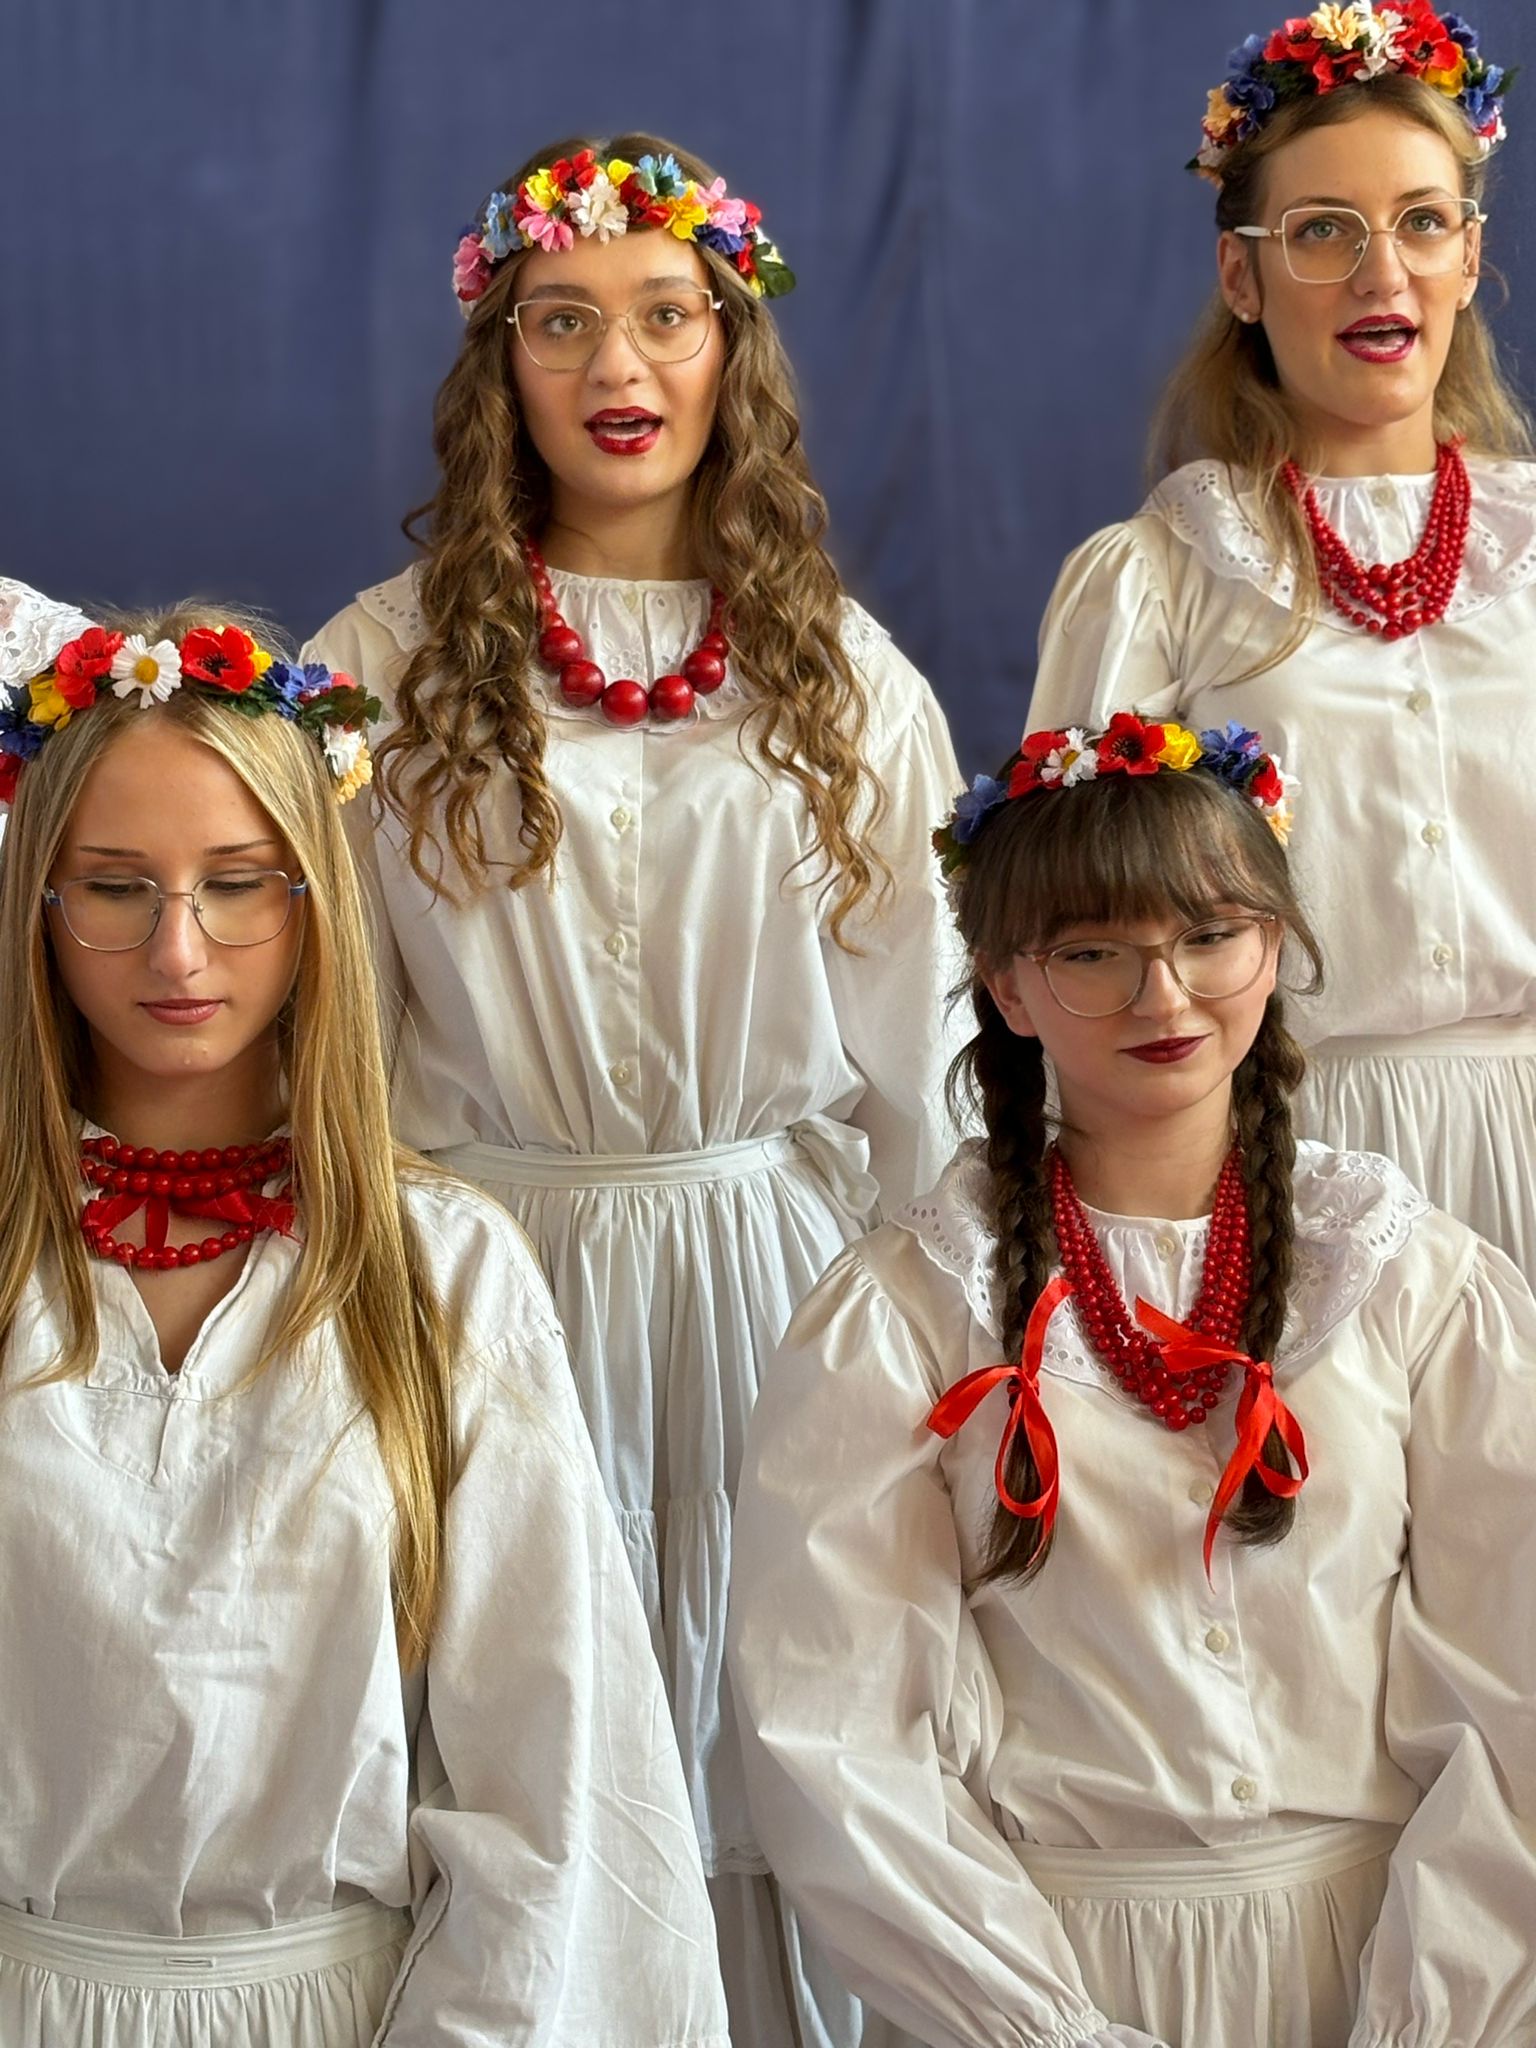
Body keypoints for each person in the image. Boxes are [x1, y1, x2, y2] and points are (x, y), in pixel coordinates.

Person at [306, 133, 961, 2046]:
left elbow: (928, 1058)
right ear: (499, 363)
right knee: (530, 1754)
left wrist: (951, 1352)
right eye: (562, 320)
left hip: (777, 1292)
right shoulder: (382, 668)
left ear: (728, 347)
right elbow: (325, 1039)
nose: (618, 364)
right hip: (485, 1281)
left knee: (778, 1752)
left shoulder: (840, 677)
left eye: (667, 315)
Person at [728, 711, 1536, 2048]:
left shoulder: (1413, 1282)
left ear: (1274, 946)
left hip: (1388, 1959)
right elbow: (836, 1738)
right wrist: (1048, 2031)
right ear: (1006, 988)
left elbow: (1516, 1700)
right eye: (1093, 952)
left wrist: (1431, 2020)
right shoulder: (902, 1314)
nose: (1163, 997)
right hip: (1034, 1976)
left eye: (1209, 936)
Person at [0, 601, 728, 2047]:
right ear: (39, 903)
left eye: (236, 884)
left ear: (313, 900)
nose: (178, 949)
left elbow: (554, 1791)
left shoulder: (443, 1270)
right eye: (116, 887)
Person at [1026, 5, 1534, 1275]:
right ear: (1241, 276)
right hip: (1289, 1160)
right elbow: (1075, 929)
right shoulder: (1162, 577)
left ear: (1470, 256)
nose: (1382, 275)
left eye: (1422, 222)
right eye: (1323, 231)